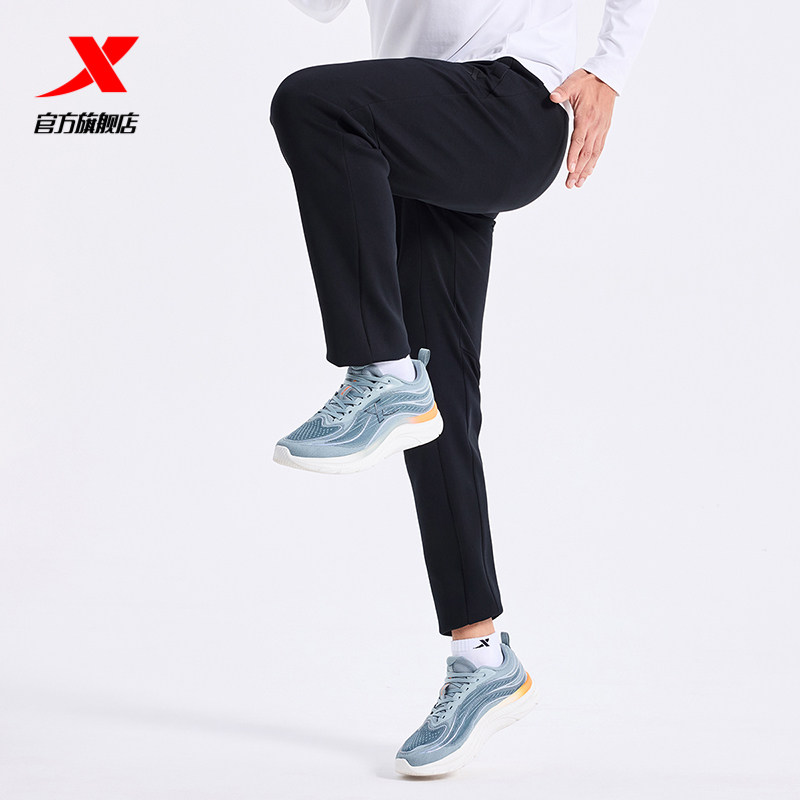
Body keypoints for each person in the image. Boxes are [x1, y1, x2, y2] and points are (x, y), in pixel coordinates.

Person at [269, 0, 658, 777]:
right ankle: (482, 661)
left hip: (509, 99)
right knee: (438, 402)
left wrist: (610, 67)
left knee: (311, 102)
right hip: (417, 126)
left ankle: (379, 372)